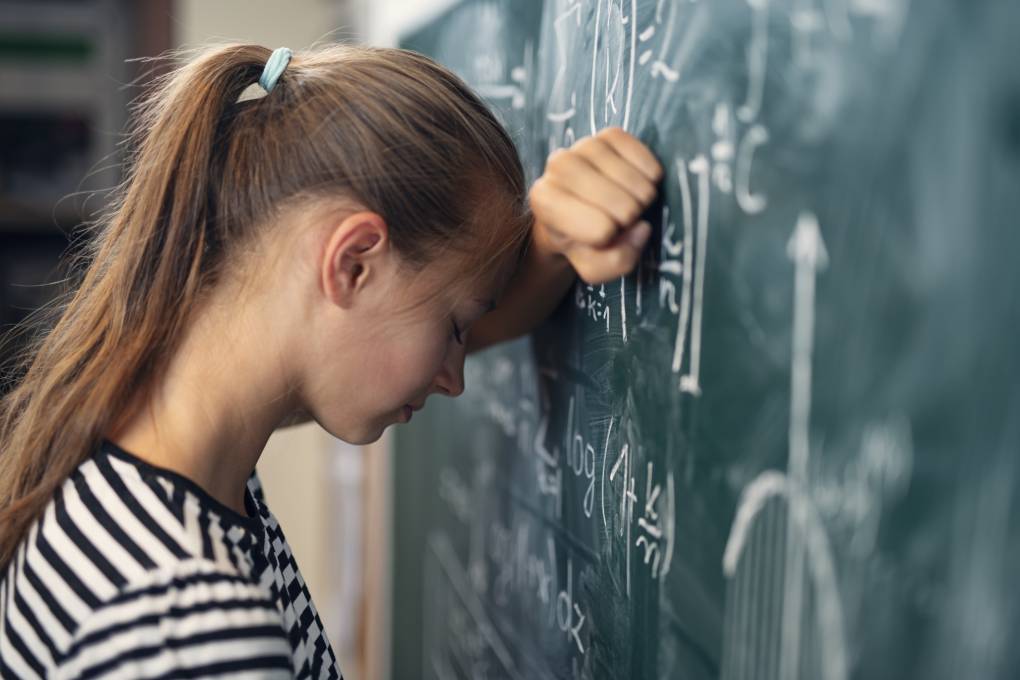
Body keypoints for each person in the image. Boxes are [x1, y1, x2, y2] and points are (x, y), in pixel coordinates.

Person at [0, 43, 662, 678]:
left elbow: (415, 328)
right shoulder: (195, 622)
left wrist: (549, 244)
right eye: (457, 328)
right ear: (351, 263)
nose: (455, 378)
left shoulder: (131, 438)